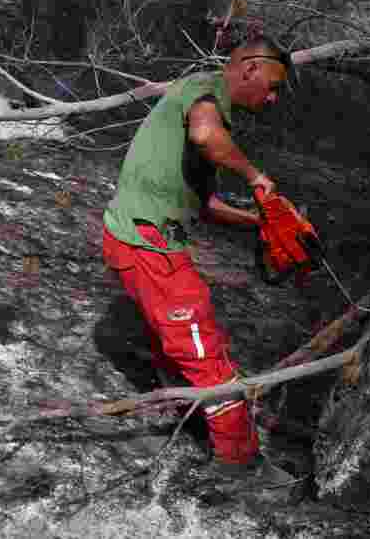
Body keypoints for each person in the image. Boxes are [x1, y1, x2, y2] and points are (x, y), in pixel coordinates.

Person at [101, 32, 288, 472]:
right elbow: (207, 134)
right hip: (148, 247)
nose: (275, 98)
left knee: (182, 343)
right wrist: (256, 177)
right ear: (250, 69)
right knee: (210, 362)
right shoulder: (204, 92)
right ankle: (239, 467)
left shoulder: (203, 101)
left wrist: (264, 222)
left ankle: (190, 414)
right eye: (274, 85)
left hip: (134, 239)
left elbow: (205, 205)